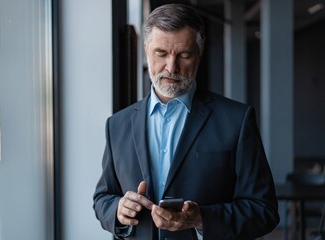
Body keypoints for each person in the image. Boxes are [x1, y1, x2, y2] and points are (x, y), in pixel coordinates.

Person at [93, 3, 279, 240]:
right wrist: (118, 210)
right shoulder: (116, 125)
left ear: (199, 57)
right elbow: (103, 199)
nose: (172, 67)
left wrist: (201, 219)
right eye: (161, 53)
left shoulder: (237, 120)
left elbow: (265, 210)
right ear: (146, 51)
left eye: (184, 55)